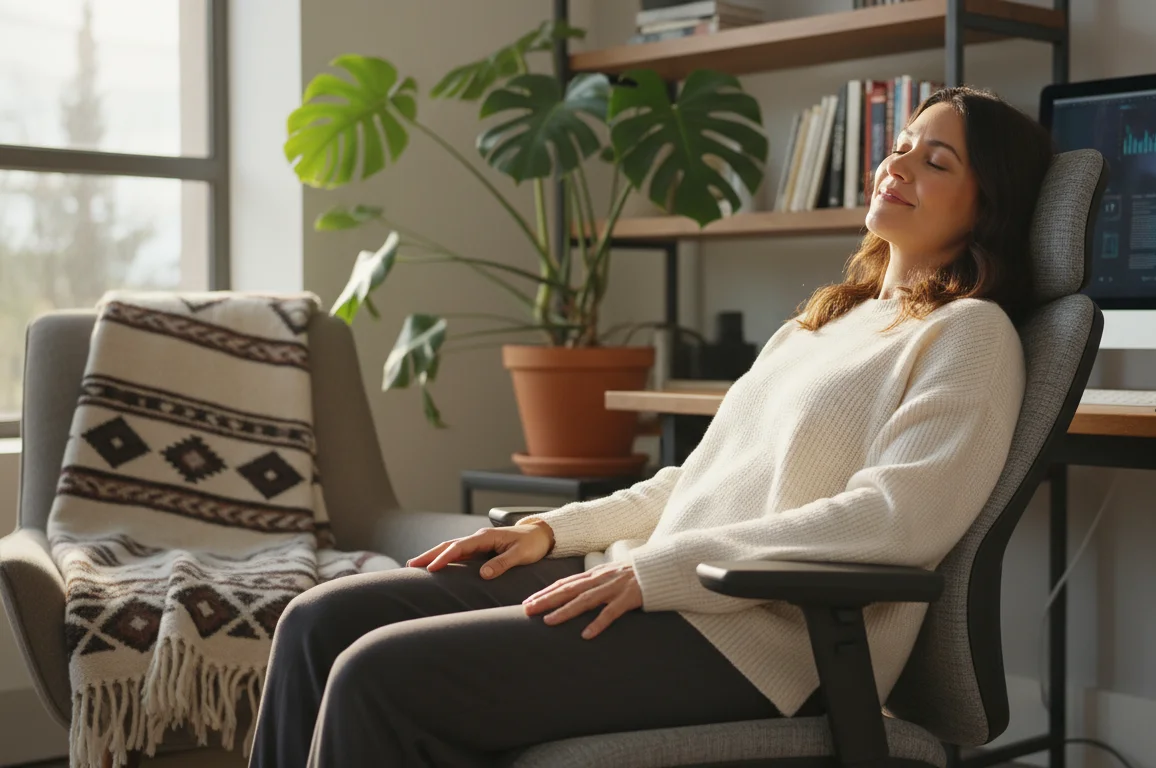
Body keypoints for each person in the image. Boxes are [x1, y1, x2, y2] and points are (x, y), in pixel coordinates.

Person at [248, 86, 1056, 768]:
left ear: (990, 209)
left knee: (376, 676)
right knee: (319, 621)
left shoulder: (969, 336)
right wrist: (551, 533)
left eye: (937, 161)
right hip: (650, 584)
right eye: (904, 144)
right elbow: (693, 483)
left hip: (754, 638)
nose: (899, 163)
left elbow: (893, 520)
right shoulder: (823, 322)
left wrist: (660, 572)